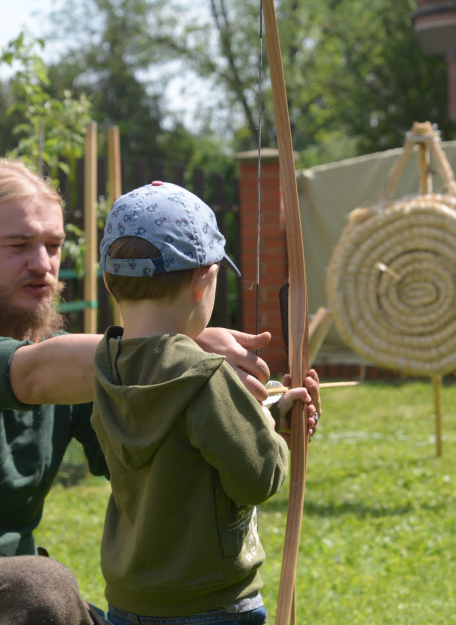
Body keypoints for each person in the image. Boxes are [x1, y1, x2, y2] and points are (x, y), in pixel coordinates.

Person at [0, 160, 279, 625]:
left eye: (53, 246)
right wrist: (182, 349)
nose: (43, 265)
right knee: (39, 586)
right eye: (18, 246)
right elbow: (30, 375)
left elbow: (162, 450)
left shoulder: (79, 368)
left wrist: (258, 416)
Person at [92, 181, 320, 625]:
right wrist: (269, 429)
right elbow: (258, 477)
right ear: (204, 281)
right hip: (210, 604)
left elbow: (183, 442)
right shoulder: (206, 375)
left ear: (107, 279)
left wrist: (266, 415)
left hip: (129, 600)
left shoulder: (106, 363)